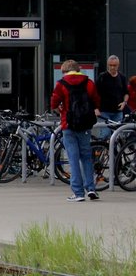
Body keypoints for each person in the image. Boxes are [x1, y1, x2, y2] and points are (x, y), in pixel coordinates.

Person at [50, 59, 101, 202]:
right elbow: (96, 100)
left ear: (65, 70)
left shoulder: (61, 84)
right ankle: (91, 188)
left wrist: (60, 110)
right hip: (85, 125)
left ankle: (78, 193)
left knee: (73, 158)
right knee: (86, 157)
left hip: (69, 124)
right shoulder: (89, 82)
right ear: (78, 69)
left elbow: (54, 101)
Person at [96, 55, 127, 134]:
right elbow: (95, 93)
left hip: (118, 111)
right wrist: (95, 108)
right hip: (104, 111)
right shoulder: (102, 77)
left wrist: (124, 102)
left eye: (114, 65)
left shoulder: (122, 77)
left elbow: (126, 93)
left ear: (118, 65)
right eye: (110, 65)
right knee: (105, 134)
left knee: (118, 134)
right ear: (107, 65)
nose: (112, 67)